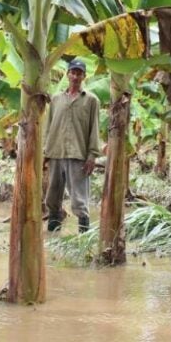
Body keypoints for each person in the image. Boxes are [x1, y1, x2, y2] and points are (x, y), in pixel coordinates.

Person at [44, 59, 100, 233]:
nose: (75, 76)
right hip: (56, 153)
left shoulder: (91, 100)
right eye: (73, 72)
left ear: (84, 76)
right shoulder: (56, 99)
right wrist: (45, 153)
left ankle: (84, 236)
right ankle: (54, 234)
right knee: (52, 196)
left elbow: (94, 129)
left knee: (79, 199)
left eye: (79, 73)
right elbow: (49, 126)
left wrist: (92, 156)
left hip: (78, 155)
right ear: (67, 74)